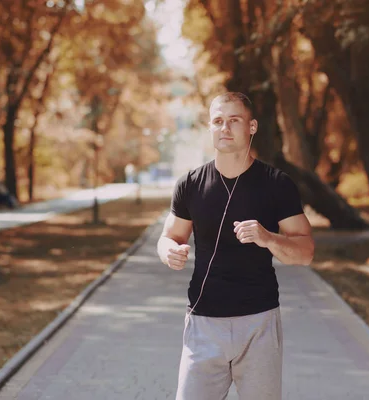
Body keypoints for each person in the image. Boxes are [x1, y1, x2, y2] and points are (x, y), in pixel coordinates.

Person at [156, 92, 314, 400]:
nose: (224, 128)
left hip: (259, 324)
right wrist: (168, 252)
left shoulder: (277, 184)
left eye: (234, 120)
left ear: (252, 127)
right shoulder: (190, 184)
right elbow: (169, 237)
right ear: (210, 128)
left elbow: (306, 251)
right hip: (203, 324)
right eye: (217, 121)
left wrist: (267, 238)